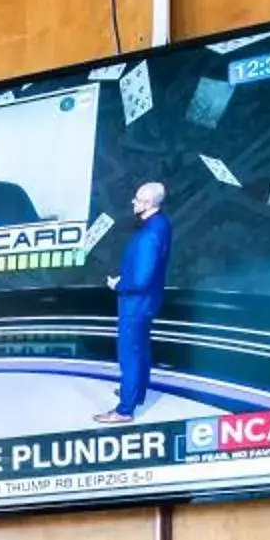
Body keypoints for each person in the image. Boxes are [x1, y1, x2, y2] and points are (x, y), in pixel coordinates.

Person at [92, 180, 172, 424]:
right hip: (147, 302)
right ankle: (135, 392)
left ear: (148, 204)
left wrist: (119, 285)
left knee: (129, 354)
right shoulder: (162, 223)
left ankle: (124, 409)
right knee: (141, 349)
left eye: (137, 199)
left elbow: (141, 280)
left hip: (136, 304)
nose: (133, 202)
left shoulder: (149, 235)